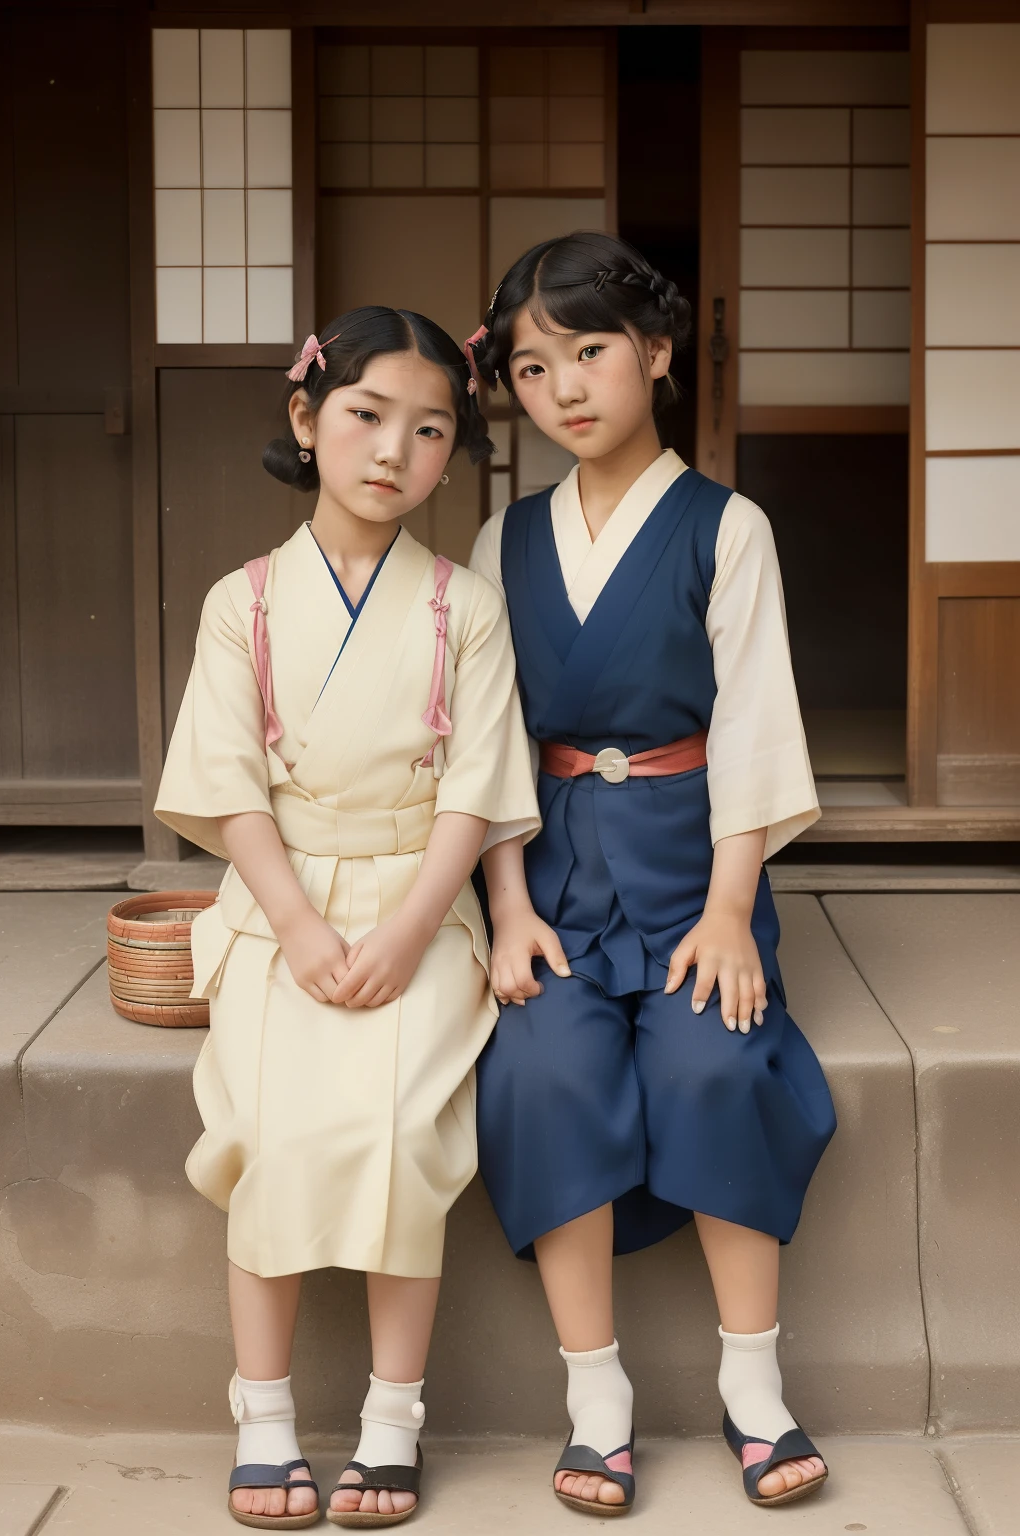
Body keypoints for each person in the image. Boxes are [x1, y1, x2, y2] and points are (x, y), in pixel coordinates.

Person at [467, 231, 837, 1515]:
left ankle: (752, 1383)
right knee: (541, 1066)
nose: (563, 385)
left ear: (656, 355)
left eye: (589, 349)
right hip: (550, 874)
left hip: (694, 868)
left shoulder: (727, 528)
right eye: (530, 366)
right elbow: (484, 740)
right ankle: (596, 1393)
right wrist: (506, 910)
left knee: (716, 1056)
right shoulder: (497, 542)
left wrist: (733, 910)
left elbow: (754, 722)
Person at [155, 306, 539, 1529]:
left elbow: (475, 791)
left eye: (431, 430)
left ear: (451, 454)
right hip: (282, 909)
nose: (394, 452)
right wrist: (306, 930)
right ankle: (261, 1419)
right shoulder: (246, 603)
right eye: (368, 416)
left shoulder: (462, 610)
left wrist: (416, 926)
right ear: (306, 416)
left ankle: (390, 1422)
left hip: (421, 905)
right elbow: (229, 786)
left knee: (396, 1137)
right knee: (265, 1133)